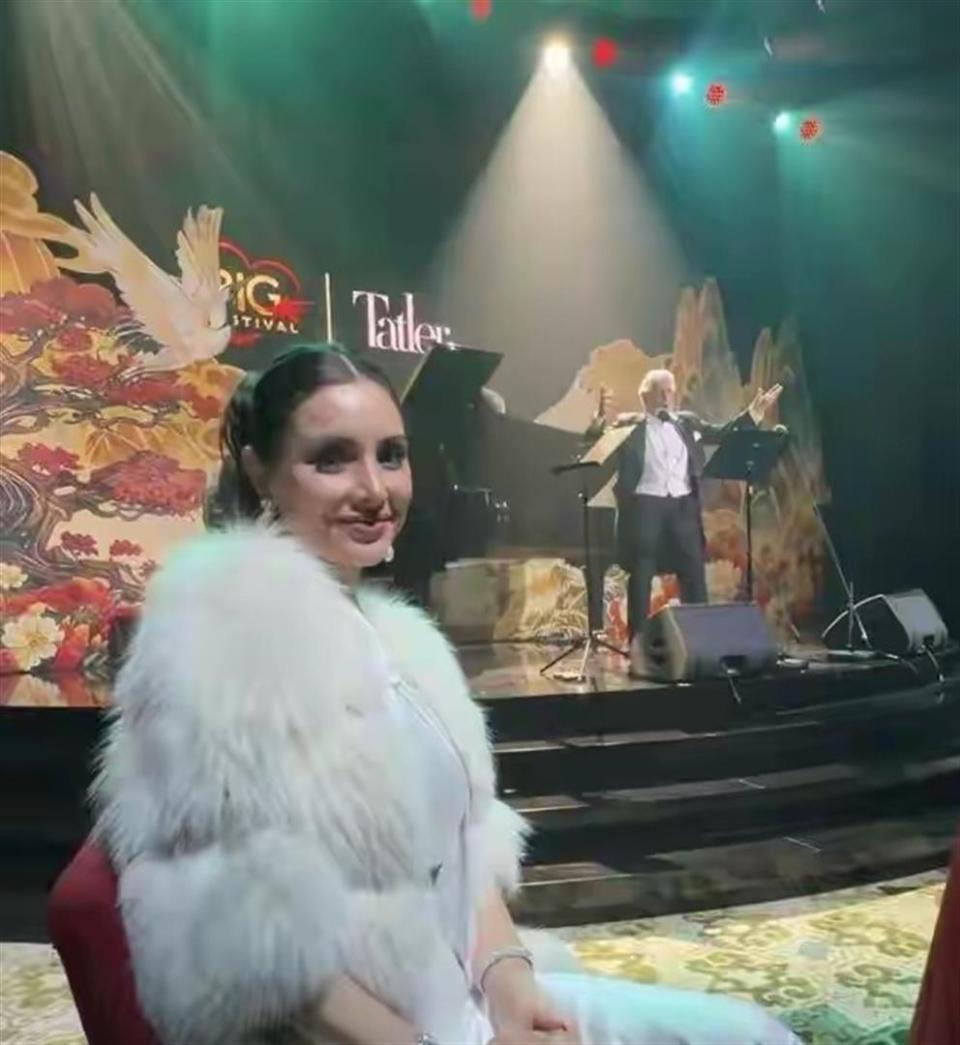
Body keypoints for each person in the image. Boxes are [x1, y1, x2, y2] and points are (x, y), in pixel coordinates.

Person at [91, 343, 800, 1045]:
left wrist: (510, 981)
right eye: (332, 459)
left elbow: (464, 844)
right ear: (259, 472)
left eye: (391, 455)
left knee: (754, 1034)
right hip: (371, 1036)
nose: (375, 488)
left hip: (467, 996)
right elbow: (250, 946)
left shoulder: (403, 641)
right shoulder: (215, 648)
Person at [587, 369, 782, 658]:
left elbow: (721, 432)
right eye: (661, 391)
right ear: (646, 396)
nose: (668, 396)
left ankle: (699, 643)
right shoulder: (629, 426)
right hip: (645, 508)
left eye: (671, 390)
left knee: (693, 572)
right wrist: (597, 422)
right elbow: (598, 446)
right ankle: (638, 647)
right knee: (641, 574)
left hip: (682, 508)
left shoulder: (686, 422)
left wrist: (753, 413)